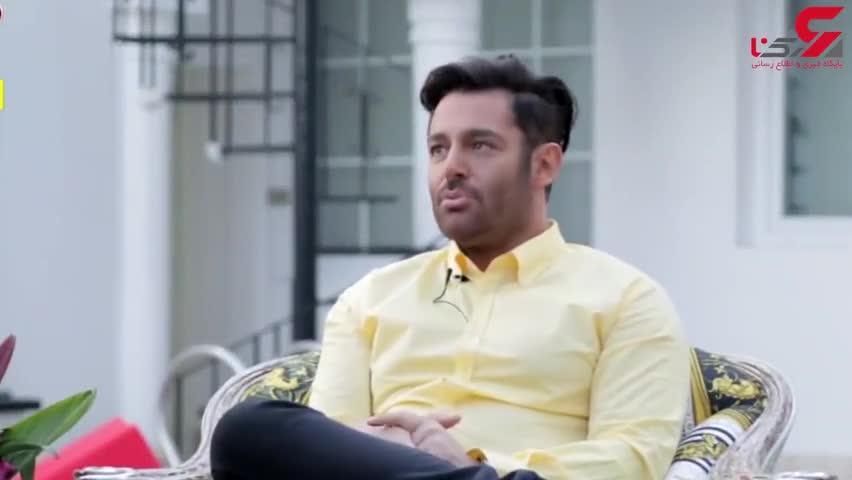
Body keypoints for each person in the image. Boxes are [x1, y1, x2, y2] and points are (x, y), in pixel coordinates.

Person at [210, 54, 691, 480]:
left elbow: (632, 459)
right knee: (246, 427)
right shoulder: (370, 298)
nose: (451, 168)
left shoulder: (625, 299)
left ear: (544, 165)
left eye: (480, 146)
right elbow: (330, 443)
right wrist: (412, 457)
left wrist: (477, 463)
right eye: (438, 149)